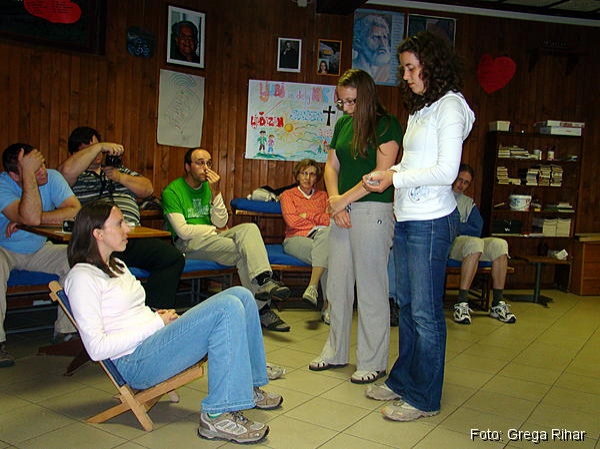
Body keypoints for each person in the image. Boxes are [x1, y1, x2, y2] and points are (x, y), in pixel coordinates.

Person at [64, 201, 281, 444]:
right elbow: (96, 348)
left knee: (242, 295)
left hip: (153, 342)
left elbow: (128, 313)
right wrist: (155, 323)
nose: (128, 228)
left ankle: (249, 385)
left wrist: (156, 315)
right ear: (98, 233)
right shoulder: (82, 278)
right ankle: (217, 416)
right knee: (227, 308)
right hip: (136, 362)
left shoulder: (117, 265)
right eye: (120, 223)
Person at [363, 31, 475, 421]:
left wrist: (395, 177)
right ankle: (403, 381)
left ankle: (425, 398)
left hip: (432, 221)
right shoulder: (421, 109)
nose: (406, 76)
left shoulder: (451, 107)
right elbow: (413, 165)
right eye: (404, 69)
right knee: (408, 307)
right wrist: (390, 174)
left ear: (432, 66)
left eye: (411, 68)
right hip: (409, 218)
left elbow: (446, 172)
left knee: (426, 313)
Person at [308, 69, 402, 384]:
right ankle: (335, 351)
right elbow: (330, 166)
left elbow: (379, 176)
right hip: (342, 209)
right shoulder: (343, 124)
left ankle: (373, 360)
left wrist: (341, 201)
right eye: (342, 102)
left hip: (373, 209)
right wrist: (335, 200)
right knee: (337, 284)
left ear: (366, 97)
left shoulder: (387, 124)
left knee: (371, 286)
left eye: (351, 101)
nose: (346, 108)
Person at [162, 148, 292, 332]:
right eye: (200, 163)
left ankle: (264, 280)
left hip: (213, 239)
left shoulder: (210, 187)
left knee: (249, 229)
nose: (206, 168)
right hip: (188, 244)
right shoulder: (172, 191)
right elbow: (183, 232)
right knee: (245, 251)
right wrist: (213, 230)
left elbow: (221, 221)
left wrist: (216, 193)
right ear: (187, 167)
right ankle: (263, 309)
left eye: (209, 163)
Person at [59, 127, 185, 309]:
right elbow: (66, 171)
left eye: (98, 148)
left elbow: (147, 188)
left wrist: (119, 177)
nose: (97, 153)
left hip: (131, 236)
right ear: (74, 153)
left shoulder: (118, 171)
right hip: (100, 241)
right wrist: (99, 146)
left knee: (172, 258)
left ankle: (155, 310)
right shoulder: (74, 177)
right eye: (89, 149)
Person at [0, 143, 81, 367]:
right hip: (4, 248)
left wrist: (34, 219)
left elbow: (75, 210)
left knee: (77, 258)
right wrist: (30, 215)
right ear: (14, 175)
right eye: (34, 169)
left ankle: (65, 332)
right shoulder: (2, 184)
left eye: (42, 164)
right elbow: (30, 217)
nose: (43, 171)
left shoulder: (53, 177)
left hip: (39, 248)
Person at [450, 163, 516, 324]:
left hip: (468, 241)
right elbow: (448, 226)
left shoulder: (468, 202)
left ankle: (497, 303)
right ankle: (462, 303)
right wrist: (462, 227)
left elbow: (478, 228)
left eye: (466, 183)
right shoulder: (442, 197)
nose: (461, 185)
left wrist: (460, 226)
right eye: (459, 180)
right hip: (450, 243)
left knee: (500, 245)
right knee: (474, 243)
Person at [280, 159, 331, 324]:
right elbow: (292, 222)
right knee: (329, 254)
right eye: (304, 173)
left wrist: (307, 215)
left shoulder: (324, 196)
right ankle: (328, 306)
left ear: (317, 178)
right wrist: (317, 220)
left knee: (326, 242)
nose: (308, 178)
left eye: (312, 174)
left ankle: (312, 288)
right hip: (295, 239)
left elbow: (329, 220)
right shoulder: (288, 195)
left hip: (321, 238)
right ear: (297, 175)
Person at [352, 14, 392, 83]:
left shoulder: (388, 72)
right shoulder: (352, 68)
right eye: (375, 37)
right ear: (359, 42)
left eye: (385, 37)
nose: (383, 44)